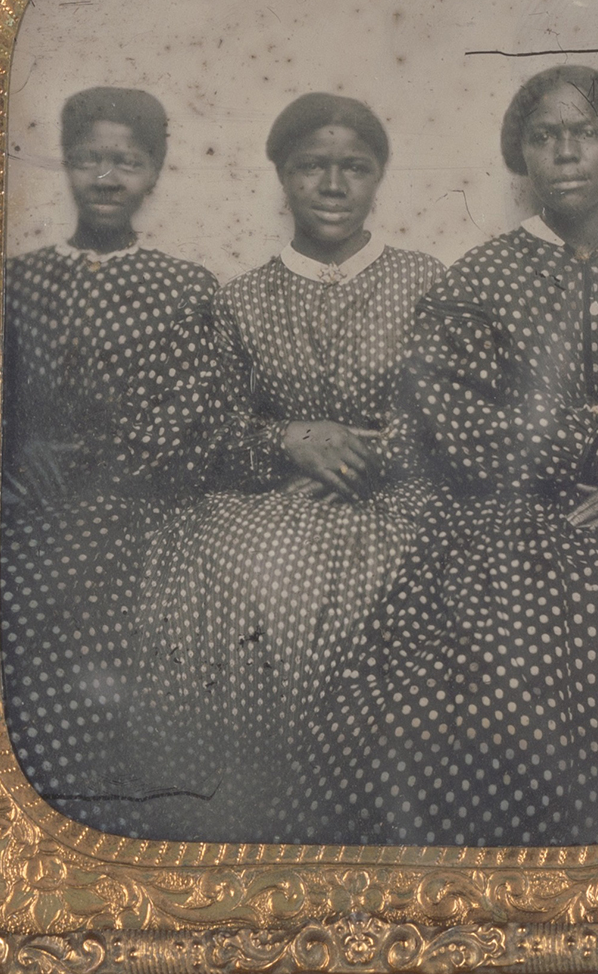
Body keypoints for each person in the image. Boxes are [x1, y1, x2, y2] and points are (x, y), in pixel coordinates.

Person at [286, 65, 598, 848]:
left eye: (586, 133)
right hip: (509, 515)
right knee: (472, 677)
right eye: (544, 136)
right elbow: (454, 415)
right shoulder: (482, 278)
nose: (566, 153)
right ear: (519, 156)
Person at [112, 92, 442, 841]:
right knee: (238, 568)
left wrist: (361, 454)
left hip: (394, 502)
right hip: (271, 499)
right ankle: (246, 817)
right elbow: (210, 429)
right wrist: (288, 438)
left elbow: (448, 416)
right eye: (310, 168)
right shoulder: (239, 300)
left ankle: (336, 821)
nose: (332, 186)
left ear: (378, 176)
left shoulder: (426, 283)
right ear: (282, 177)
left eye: (353, 168)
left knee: (354, 592)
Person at [0, 87, 220, 818]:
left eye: (126, 161)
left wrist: (92, 472)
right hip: (24, 502)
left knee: (96, 610)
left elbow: (186, 416)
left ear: (153, 172)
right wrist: (18, 451)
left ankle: (91, 812)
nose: (106, 177)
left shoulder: (183, 287)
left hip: (134, 507)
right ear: (66, 164)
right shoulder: (16, 282)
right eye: (91, 158)